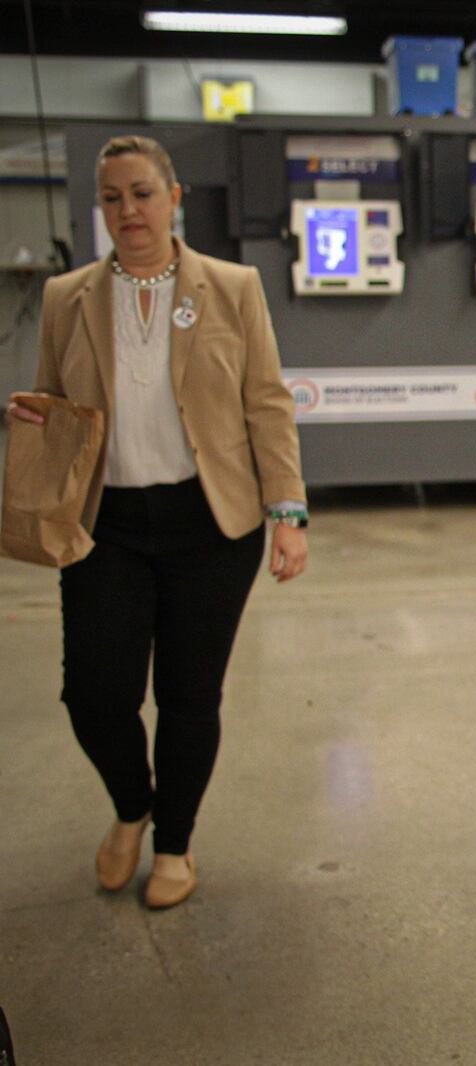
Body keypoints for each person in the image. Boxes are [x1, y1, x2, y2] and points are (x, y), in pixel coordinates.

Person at [4, 135, 308, 909]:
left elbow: (266, 401)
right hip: (105, 523)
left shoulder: (232, 287)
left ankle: (173, 841)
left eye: (141, 193)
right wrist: (37, 417)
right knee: (94, 696)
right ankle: (132, 807)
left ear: (174, 198)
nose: (127, 211)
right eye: (112, 198)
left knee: (187, 697)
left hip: (210, 523)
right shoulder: (67, 296)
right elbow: (55, 399)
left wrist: (288, 510)